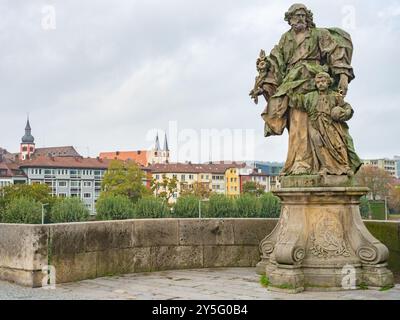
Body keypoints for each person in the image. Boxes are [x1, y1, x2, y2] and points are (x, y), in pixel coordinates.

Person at [250, 3, 355, 175]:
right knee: (297, 122)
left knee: (316, 122)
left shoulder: (319, 34)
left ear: (307, 18)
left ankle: (322, 164)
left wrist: (343, 75)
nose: (299, 18)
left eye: (302, 15)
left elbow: (335, 53)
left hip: (312, 80)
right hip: (292, 82)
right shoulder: (286, 38)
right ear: (289, 19)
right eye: (295, 15)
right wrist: (265, 71)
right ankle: (301, 162)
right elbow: (276, 60)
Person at [288, 72, 362, 176]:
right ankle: (326, 167)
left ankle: (345, 166)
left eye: (323, 81)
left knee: (338, 144)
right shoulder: (310, 96)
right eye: (318, 82)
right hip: (315, 125)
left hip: (331, 124)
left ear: (328, 82)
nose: (320, 84)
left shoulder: (335, 95)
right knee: (319, 145)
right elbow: (298, 101)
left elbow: (346, 106)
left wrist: (346, 112)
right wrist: (290, 92)